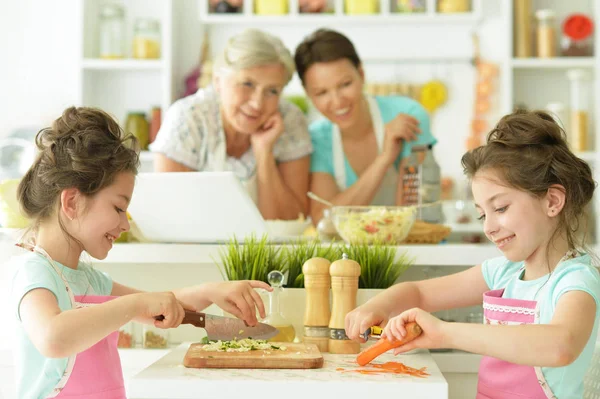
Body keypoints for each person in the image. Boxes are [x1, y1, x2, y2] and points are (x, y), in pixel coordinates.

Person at [9, 107, 271, 398]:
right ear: (71, 202)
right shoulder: (34, 272)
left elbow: (155, 307)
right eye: (118, 208)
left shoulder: (91, 281)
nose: (124, 224)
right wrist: (133, 305)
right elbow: (53, 337)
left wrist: (211, 291)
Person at [345, 110, 600, 398]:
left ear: (552, 201)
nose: (489, 227)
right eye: (482, 215)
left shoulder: (576, 280)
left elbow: (560, 346)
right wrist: (376, 306)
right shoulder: (503, 273)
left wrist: (445, 333)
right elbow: (419, 292)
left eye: (500, 208)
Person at [151, 29, 312, 220]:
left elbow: (289, 222)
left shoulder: (290, 121)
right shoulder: (188, 119)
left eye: (272, 91)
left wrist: (264, 154)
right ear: (218, 81)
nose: (257, 104)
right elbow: (170, 215)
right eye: (247, 84)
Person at [294, 29, 437, 223]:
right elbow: (323, 220)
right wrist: (384, 159)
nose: (337, 102)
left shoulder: (408, 116)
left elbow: (411, 213)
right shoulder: (318, 139)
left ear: (361, 74)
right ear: (308, 94)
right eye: (321, 93)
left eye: (345, 84)